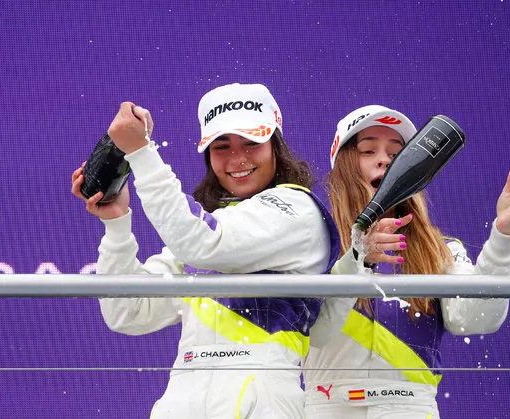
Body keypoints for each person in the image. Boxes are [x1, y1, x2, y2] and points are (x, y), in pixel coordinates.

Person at [71, 83, 340, 419]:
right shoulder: (214, 225)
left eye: (252, 143)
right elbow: (128, 311)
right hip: (181, 401)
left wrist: (141, 153)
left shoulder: (295, 208)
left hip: (265, 402)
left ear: (275, 145)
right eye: (221, 146)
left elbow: (201, 242)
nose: (237, 159)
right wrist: (117, 225)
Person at [304, 105, 510, 418]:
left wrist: (503, 232)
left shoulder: (437, 248)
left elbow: (476, 319)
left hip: (409, 407)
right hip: (327, 407)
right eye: (368, 150)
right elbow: (306, 325)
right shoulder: (316, 242)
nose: (384, 159)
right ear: (343, 166)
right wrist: (356, 255)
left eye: (396, 153)